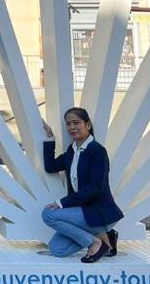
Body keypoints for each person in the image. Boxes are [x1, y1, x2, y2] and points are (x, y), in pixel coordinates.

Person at [41, 107, 122, 262]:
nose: (72, 127)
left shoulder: (97, 151)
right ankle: (104, 236)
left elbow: (96, 188)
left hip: (98, 212)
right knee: (57, 249)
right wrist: (50, 138)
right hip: (82, 213)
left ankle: (95, 242)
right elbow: (51, 167)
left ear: (88, 125)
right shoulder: (72, 151)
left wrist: (61, 203)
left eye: (76, 122)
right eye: (68, 123)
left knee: (48, 214)